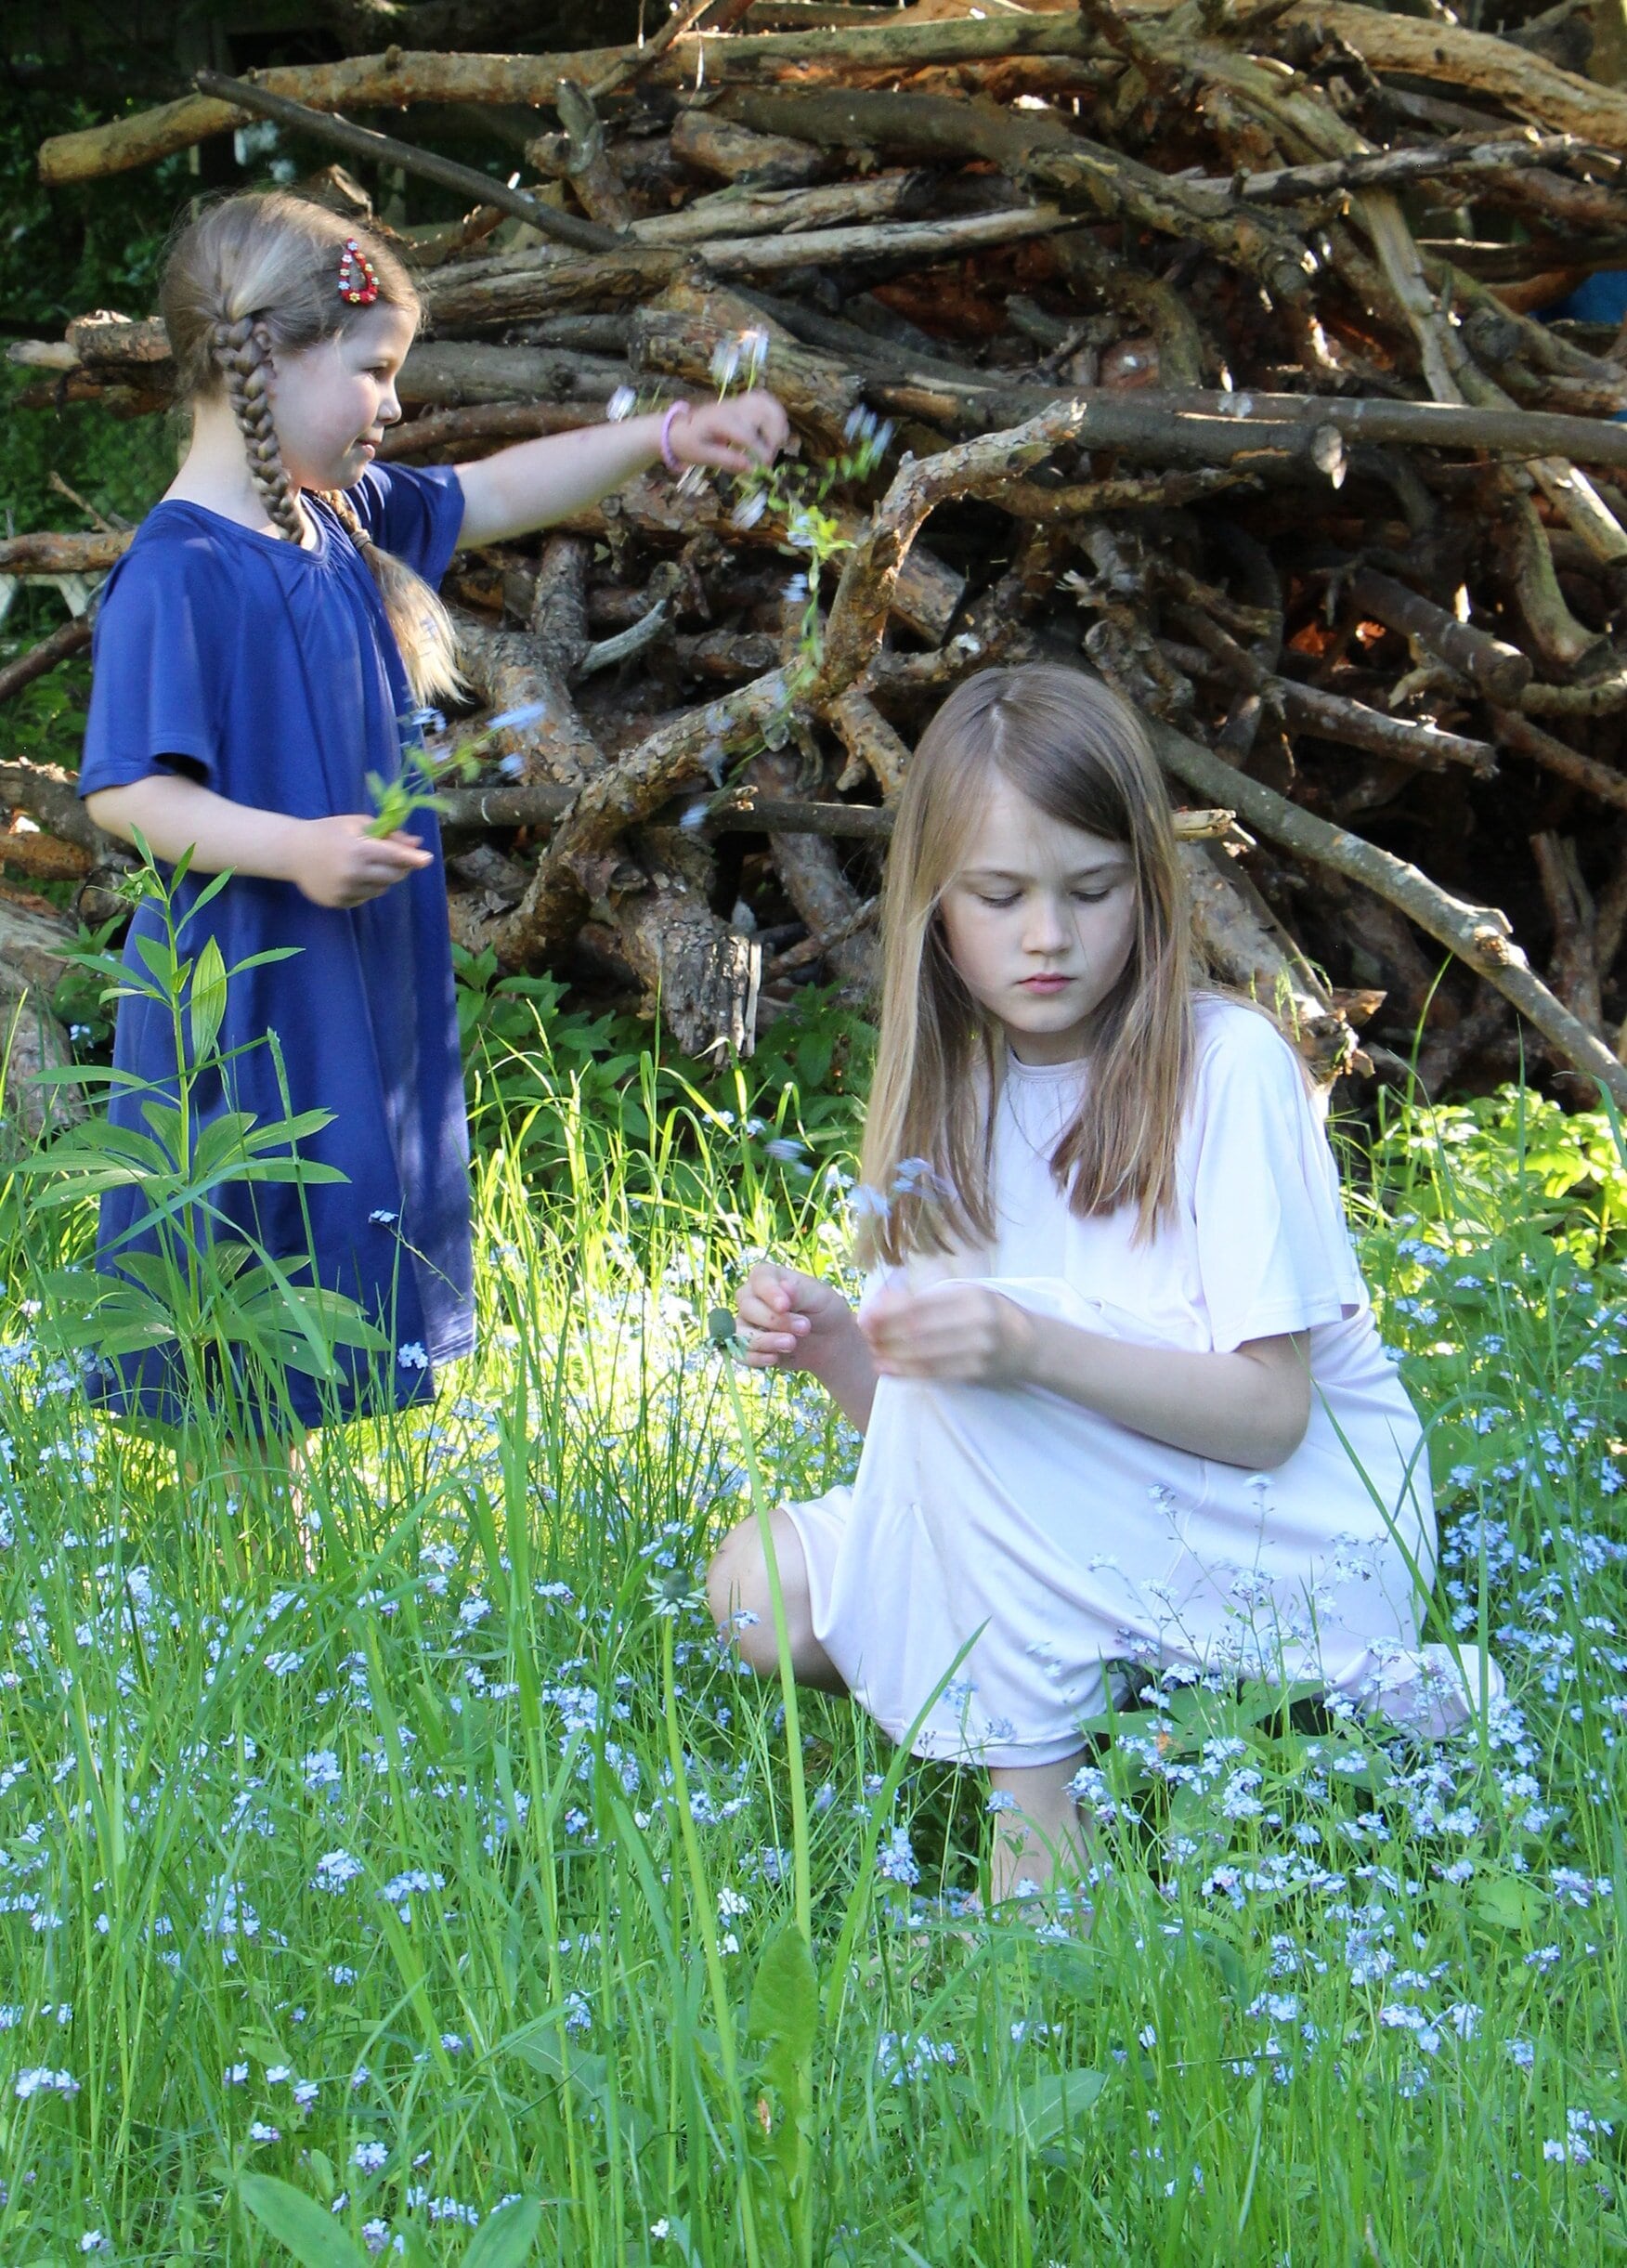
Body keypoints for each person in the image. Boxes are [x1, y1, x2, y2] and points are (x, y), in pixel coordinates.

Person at [708, 664, 1501, 1909]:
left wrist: (1023, 1345)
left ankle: (1044, 1874)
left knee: (998, 1374)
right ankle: (1150, 1711)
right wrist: (840, 1351)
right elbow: (946, 1451)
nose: (1048, 936)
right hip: (1092, 1531)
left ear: (1148, 885)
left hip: (1289, 1520)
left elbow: (1270, 1414)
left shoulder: (1224, 1067)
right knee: (760, 1591)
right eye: (1000, 895)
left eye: (1090, 890)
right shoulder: (950, 1105)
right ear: (933, 911)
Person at [79, 189, 787, 1437]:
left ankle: (294, 1545)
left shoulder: (338, 519)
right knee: (251, 1230)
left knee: (344, 1205)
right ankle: (253, 1534)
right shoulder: (179, 570)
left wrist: (669, 432)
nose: (394, 404)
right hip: (244, 982)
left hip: (343, 956)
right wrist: (292, 848)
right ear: (268, 355)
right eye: (375, 370)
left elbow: (505, 486)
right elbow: (129, 791)